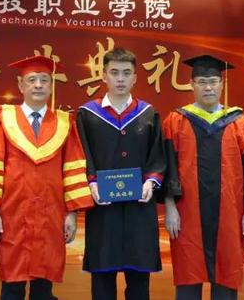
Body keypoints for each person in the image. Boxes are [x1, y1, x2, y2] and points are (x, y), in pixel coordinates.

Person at [0, 55, 94, 300]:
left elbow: (72, 169)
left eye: (44, 80)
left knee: (44, 285)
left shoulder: (65, 123)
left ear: (51, 85)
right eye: (32, 80)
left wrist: (72, 214)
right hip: (12, 214)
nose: (38, 85)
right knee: (12, 284)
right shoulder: (2, 120)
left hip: (51, 214)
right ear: (20, 85)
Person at [162, 54, 244, 300]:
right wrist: (170, 207)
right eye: (202, 82)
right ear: (191, 85)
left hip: (230, 213)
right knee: (188, 273)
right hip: (187, 212)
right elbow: (167, 166)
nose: (208, 87)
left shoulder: (241, 123)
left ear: (222, 84)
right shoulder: (175, 121)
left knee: (226, 272)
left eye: (213, 81)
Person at [76, 48, 166, 300]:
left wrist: (151, 182)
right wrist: (91, 182)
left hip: (139, 208)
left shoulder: (148, 114)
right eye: (114, 72)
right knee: (102, 279)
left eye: (126, 73)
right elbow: (81, 153)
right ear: (103, 75)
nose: (120, 79)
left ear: (135, 78)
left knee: (139, 281)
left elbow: (158, 155)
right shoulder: (88, 114)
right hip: (103, 209)